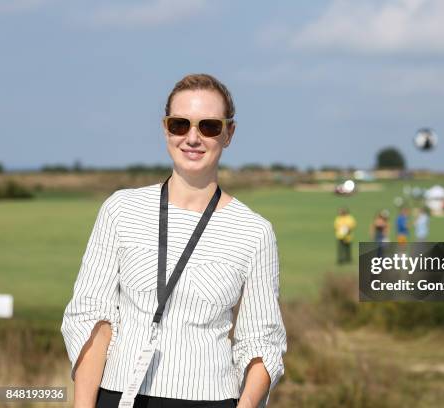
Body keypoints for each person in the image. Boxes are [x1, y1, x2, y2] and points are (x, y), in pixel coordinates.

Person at [61, 73, 287, 408]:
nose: (192, 138)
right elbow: (92, 319)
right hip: (121, 396)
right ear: (165, 128)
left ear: (229, 134)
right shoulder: (120, 210)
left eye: (209, 126)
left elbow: (261, 341)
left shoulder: (254, 231)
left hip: (211, 399)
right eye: (180, 124)